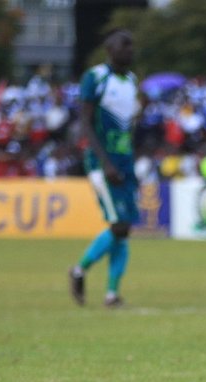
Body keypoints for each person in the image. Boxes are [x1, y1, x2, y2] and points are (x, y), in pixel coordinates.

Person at [68, 29, 140, 308]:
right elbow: (85, 122)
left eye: (132, 45)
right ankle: (79, 270)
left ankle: (112, 294)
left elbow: (128, 123)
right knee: (119, 225)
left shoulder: (132, 81)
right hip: (102, 162)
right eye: (125, 45)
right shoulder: (96, 77)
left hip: (125, 159)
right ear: (110, 49)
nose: (130, 50)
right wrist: (105, 161)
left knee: (124, 227)